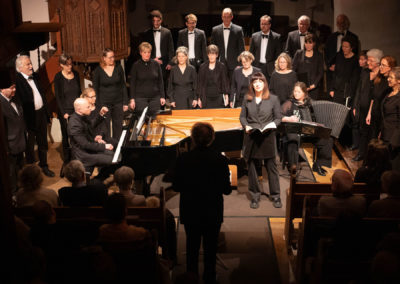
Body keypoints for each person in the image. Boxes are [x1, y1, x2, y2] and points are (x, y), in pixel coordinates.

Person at [173, 122, 232, 284]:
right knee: (210, 249)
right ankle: (210, 278)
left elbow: (176, 186)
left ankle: (191, 278)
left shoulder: (183, 159)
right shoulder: (220, 160)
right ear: (212, 139)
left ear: (192, 138)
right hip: (212, 211)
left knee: (191, 248)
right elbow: (226, 190)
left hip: (191, 210)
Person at [240, 72, 282, 209]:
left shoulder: (273, 99)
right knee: (252, 167)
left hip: (267, 137)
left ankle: (275, 195)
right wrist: (245, 125)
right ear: (252, 84)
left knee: (271, 167)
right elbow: (242, 117)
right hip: (252, 136)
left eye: (260, 81)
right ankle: (255, 196)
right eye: (255, 81)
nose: (257, 84)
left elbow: (278, 118)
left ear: (264, 83)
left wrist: (272, 125)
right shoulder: (247, 98)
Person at [281, 82, 333, 176]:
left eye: (299, 92)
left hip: (309, 132)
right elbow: (278, 116)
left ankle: (318, 165)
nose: (296, 93)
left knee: (327, 138)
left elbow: (319, 113)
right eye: (295, 91)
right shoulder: (289, 103)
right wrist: (288, 118)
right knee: (293, 139)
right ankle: (292, 166)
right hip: (295, 131)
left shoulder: (310, 102)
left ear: (304, 93)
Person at [15, 55, 55, 177]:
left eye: (30, 63)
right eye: (28, 64)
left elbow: (42, 96)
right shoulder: (17, 81)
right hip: (29, 119)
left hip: (41, 114)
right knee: (30, 146)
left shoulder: (36, 77)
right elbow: (19, 103)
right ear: (20, 67)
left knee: (43, 142)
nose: (31, 66)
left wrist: (47, 114)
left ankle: (44, 166)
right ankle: (32, 170)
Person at [67, 98, 114, 175]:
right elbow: (85, 145)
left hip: (88, 150)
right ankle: (100, 180)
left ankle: (100, 179)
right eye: (87, 107)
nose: (90, 109)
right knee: (111, 158)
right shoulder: (74, 124)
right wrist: (104, 146)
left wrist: (101, 114)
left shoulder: (81, 116)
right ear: (79, 109)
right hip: (82, 155)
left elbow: (91, 125)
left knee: (112, 154)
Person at [352, 48, 384, 161]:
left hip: (373, 111)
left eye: (370, 60)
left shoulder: (381, 76)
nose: (367, 62)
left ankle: (369, 157)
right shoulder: (365, 72)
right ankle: (361, 153)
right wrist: (355, 106)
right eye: (367, 60)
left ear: (377, 62)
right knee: (362, 132)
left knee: (372, 134)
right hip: (362, 109)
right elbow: (358, 90)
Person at [53, 54, 81, 174]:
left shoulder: (76, 75)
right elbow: (58, 97)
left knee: (77, 135)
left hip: (76, 110)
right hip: (65, 112)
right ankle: (67, 161)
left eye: (71, 64)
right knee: (66, 137)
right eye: (67, 64)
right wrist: (63, 112)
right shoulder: (58, 77)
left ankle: (77, 159)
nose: (70, 66)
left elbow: (79, 92)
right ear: (61, 65)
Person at [92, 48, 128, 139]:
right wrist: (99, 105)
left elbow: (123, 85)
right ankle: (107, 151)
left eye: (113, 57)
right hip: (104, 104)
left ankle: (118, 150)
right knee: (105, 129)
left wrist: (125, 102)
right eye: (110, 57)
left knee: (118, 128)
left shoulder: (118, 67)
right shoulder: (98, 71)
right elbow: (95, 89)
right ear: (104, 58)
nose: (112, 59)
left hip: (118, 102)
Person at [0, 84, 26, 194]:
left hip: (20, 140)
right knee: (11, 172)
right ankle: (14, 194)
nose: (14, 90)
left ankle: (23, 190)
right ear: (2, 89)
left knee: (20, 168)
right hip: (9, 145)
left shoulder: (15, 98)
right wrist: (5, 147)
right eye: (11, 88)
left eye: (15, 87)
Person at [129, 42, 165, 118]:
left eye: (149, 52)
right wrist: (132, 99)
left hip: (155, 98)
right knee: (142, 121)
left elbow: (160, 82)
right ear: (140, 53)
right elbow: (132, 84)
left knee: (155, 121)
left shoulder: (156, 64)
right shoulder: (136, 66)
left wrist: (162, 96)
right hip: (140, 99)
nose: (147, 54)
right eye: (145, 52)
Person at [325, 14, 360, 91]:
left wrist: (339, 67)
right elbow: (326, 53)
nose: (340, 25)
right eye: (338, 23)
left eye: (343, 23)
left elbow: (355, 55)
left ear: (347, 24)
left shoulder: (353, 37)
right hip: (331, 70)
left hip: (345, 73)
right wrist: (329, 66)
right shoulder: (331, 37)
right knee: (330, 94)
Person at [210, 7, 245, 80]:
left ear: (231, 17)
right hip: (220, 63)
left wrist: (240, 64)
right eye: (224, 17)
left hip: (234, 64)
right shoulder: (215, 30)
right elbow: (212, 48)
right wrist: (213, 61)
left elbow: (241, 49)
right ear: (222, 17)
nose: (226, 19)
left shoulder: (238, 30)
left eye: (228, 17)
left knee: (233, 85)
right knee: (221, 84)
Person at [367, 55, 397, 139]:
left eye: (383, 65)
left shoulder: (391, 84)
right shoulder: (378, 79)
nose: (380, 67)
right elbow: (373, 98)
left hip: (382, 118)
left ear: (390, 67)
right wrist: (369, 113)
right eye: (380, 64)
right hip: (374, 115)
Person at [142, 10, 174, 83]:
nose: (155, 23)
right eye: (153, 21)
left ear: (161, 20)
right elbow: (144, 49)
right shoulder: (147, 33)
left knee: (163, 82)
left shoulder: (167, 32)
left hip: (164, 62)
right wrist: (152, 59)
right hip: (151, 61)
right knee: (152, 82)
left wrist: (170, 63)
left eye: (158, 21)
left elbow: (171, 49)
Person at [249, 15, 282, 82]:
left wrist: (276, 68)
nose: (263, 26)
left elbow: (278, 54)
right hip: (257, 66)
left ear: (269, 25)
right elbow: (251, 53)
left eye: (265, 24)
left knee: (269, 89)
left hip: (270, 68)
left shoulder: (276, 37)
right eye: (261, 24)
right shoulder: (254, 36)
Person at [328, 36, 360, 105]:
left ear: (352, 48)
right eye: (343, 46)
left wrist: (349, 95)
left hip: (346, 93)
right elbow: (335, 74)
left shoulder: (355, 61)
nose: (344, 49)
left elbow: (354, 80)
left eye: (346, 47)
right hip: (336, 91)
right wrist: (331, 89)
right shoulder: (339, 56)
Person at [196, 45, 230, 109]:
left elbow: (225, 82)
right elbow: (200, 84)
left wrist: (226, 96)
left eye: (213, 54)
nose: (211, 56)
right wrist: (199, 98)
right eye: (210, 54)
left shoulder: (221, 66)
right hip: (206, 98)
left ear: (216, 55)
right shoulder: (202, 67)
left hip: (219, 98)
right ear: (207, 55)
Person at [292, 33, 324, 100]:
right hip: (300, 87)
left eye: (310, 43)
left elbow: (321, 72)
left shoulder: (319, 55)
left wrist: (314, 85)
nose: (308, 45)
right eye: (306, 42)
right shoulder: (299, 53)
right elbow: (293, 69)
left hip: (313, 88)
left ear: (314, 43)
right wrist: (297, 84)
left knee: (312, 108)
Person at [381, 67, 400, 170]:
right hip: (385, 133)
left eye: (391, 77)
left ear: (399, 81)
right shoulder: (390, 92)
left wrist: (394, 141)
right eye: (388, 77)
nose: (388, 79)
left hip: (393, 139)